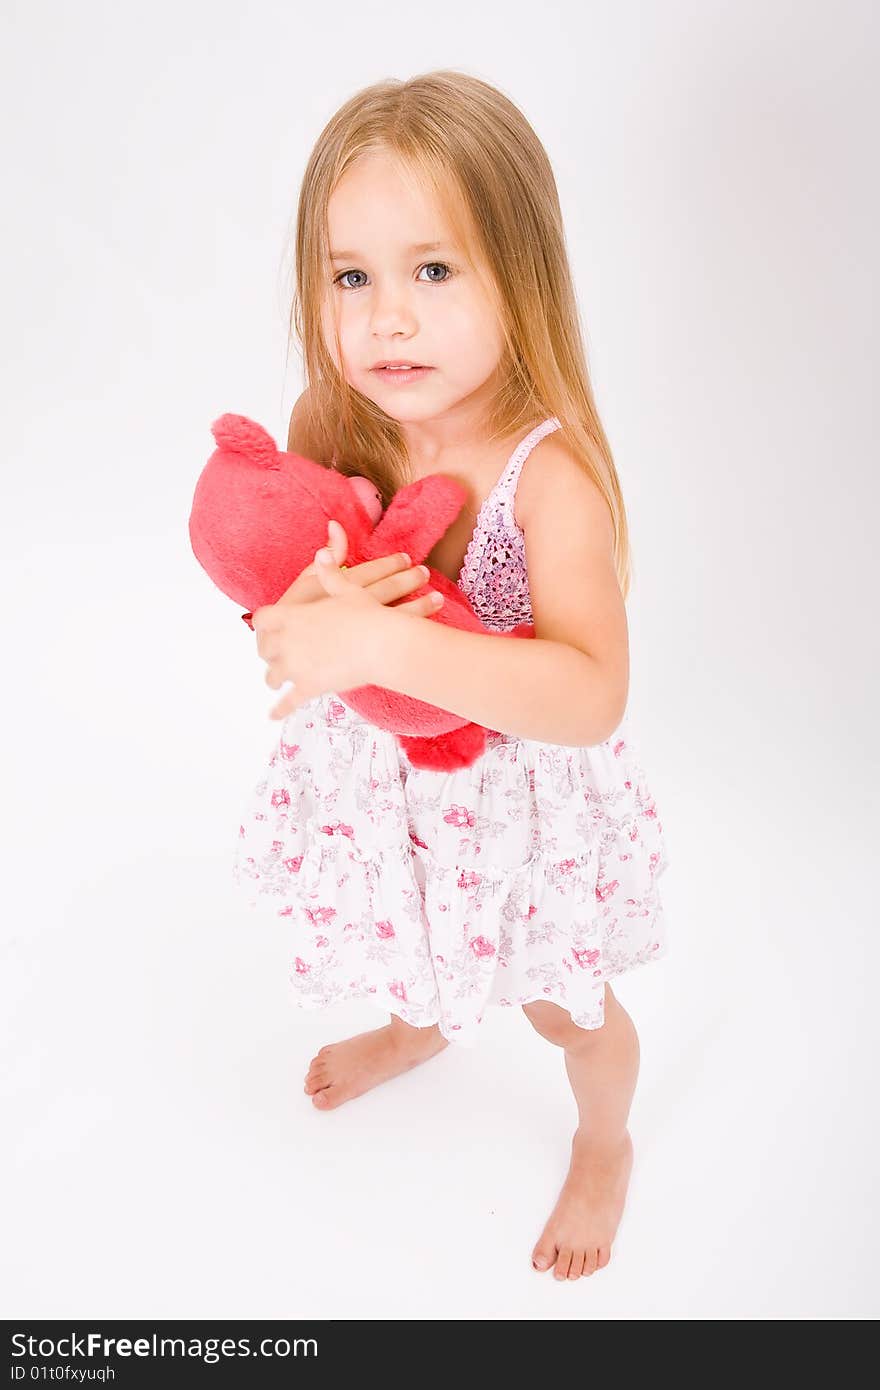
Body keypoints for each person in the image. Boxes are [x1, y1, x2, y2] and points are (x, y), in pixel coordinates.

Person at [231, 69, 671, 1282]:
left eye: (433, 270)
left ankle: (604, 1139)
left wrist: (384, 644)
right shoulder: (335, 418)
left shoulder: (547, 478)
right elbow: (286, 580)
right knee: (402, 922)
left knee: (563, 1009)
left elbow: (591, 694)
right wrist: (289, 621)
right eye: (351, 276)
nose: (387, 320)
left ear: (517, 275)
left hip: (518, 814)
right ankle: (419, 1021)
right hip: (392, 792)